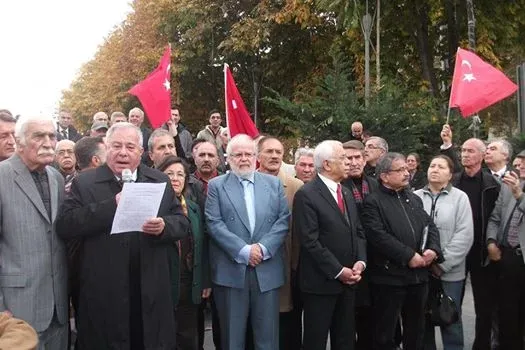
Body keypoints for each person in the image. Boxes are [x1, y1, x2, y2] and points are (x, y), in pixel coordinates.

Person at [56, 122, 190, 349]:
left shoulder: (158, 180)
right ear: (106, 148)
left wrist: (163, 227)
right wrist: (111, 206)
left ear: (140, 152)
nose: (123, 152)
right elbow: (66, 225)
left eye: (130, 146)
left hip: (150, 287)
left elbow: (182, 222)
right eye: (116, 146)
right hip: (105, 290)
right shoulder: (85, 182)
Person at [205, 134, 289, 350]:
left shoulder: (273, 184)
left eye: (248, 154)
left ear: (255, 157)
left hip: (266, 269)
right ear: (228, 158)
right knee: (232, 339)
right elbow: (214, 223)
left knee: (267, 339)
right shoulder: (216, 186)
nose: (244, 158)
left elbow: (282, 220)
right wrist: (243, 250)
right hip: (232, 271)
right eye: (238, 154)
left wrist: (262, 248)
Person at [0, 115, 68, 349]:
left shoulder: (56, 178)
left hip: (58, 311)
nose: (49, 142)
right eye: (39, 136)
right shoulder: (1, 177)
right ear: (19, 142)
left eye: (52, 136)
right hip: (15, 310)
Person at [362, 152, 442, 350]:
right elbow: (378, 236)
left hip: (419, 278)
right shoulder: (373, 202)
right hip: (390, 279)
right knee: (385, 334)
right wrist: (408, 256)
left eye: (407, 168)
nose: (407, 173)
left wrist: (433, 250)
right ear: (384, 176)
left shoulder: (413, 198)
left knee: (416, 332)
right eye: (400, 170)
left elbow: (429, 225)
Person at [293, 140, 366, 350]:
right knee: (315, 340)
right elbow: (309, 240)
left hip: (349, 281)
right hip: (320, 283)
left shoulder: (345, 191)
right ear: (326, 164)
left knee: (345, 339)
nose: (348, 163)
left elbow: (358, 231)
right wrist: (338, 270)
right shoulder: (307, 195)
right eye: (342, 158)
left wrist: (360, 262)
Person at [440, 124, 500, 349]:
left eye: (470, 151)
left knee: (484, 305)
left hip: (481, 251)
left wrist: (493, 243)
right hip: (455, 251)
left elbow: (496, 218)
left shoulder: (491, 185)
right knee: (450, 302)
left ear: (483, 156)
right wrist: (447, 144)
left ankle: (481, 345)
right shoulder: (454, 181)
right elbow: (447, 165)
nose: (465, 154)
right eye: (463, 150)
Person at [414, 155, 474, 350]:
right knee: (422, 321)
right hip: (420, 271)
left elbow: (464, 235)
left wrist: (441, 263)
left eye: (441, 167)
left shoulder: (460, 198)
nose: (435, 169)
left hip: (450, 273)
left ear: (450, 174)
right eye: (432, 165)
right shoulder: (414, 196)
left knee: (450, 319)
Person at [157, 155, 211, 350]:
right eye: (169, 174)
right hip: (161, 285)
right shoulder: (152, 208)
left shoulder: (194, 209)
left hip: (189, 284)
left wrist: (205, 279)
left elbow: (203, 245)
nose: (175, 178)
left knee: (188, 338)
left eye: (180, 174)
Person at [257, 136, 304, 350]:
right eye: (269, 151)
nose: (275, 156)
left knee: (287, 325)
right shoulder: (248, 184)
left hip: (287, 266)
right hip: (255, 265)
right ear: (258, 155)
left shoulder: (296, 187)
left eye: (278, 152)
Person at [341, 140, 378, 350]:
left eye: (357, 157)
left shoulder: (375, 185)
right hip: (347, 263)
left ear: (365, 160)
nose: (353, 162)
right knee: (346, 324)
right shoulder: (337, 186)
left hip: (373, 261)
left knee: (370, 322)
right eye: (348, 158)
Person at [486, 157, 525, 350]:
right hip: (508, 257)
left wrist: (520, 195)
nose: (519, 168)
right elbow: (494, 218)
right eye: (517, 165)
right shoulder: (507, 187)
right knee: (507, 312)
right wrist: (491, 242)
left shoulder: (516, 190)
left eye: (524, 164)